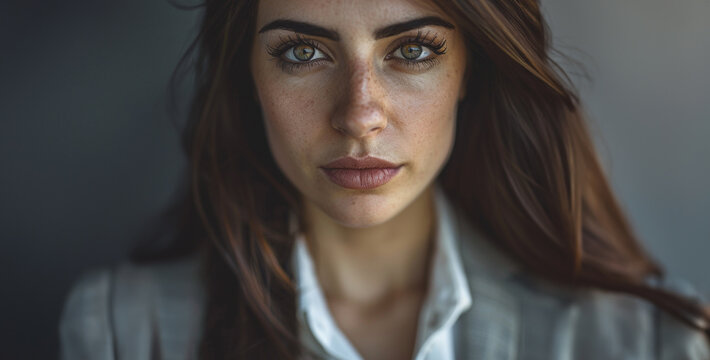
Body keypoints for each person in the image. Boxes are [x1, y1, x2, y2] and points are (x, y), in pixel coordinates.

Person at [59, 0, 710, 359]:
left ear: (471, 74)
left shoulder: (648, 344)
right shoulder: (122, 331)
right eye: (303, 52)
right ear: (246, 78)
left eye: (413, 50)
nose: (359, 115)